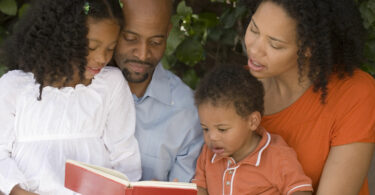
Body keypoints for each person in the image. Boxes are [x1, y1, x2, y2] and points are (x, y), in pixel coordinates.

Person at [0, 0, 141, 194]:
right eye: (92, 47)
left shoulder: (110, 84)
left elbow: (125, 156)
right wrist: (17, 191)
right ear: (62, 39)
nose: (102, 58)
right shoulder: (14, 87)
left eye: (110, 48)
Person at [244, 0, 375, 194]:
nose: (254, 49)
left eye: (275, 44)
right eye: (254, 30)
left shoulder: (354, 93)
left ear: (308, 47)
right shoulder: (236, 89)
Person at [114, 0, 204, 182]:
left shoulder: (187, 113)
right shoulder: (79, 89)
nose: (142, 54)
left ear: (168, 33)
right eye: (131, 39)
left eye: (155, 42)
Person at [192, 65, 313, 195]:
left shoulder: (278, 156)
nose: (212, 137)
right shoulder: (208, 154)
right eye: (205, 129)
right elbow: (200, 187)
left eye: (222, 129)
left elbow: (301, 191)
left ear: (252, 121)